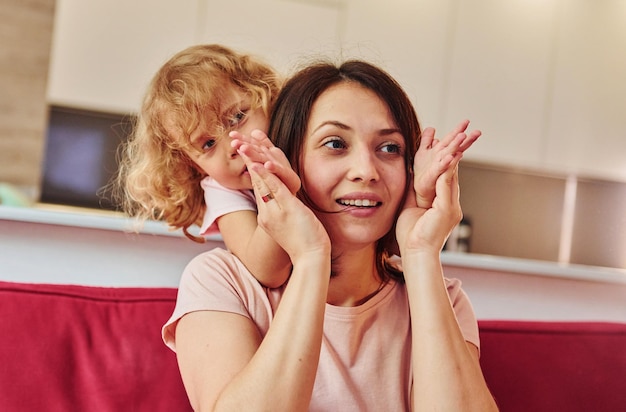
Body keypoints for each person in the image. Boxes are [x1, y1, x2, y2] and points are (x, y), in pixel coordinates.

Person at [162, 57, 497, 411]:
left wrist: (421, 252)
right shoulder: (221, 282)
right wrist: (310, 257)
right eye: (335, 144)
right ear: (286, 157)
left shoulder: (443, 298)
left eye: (389, 148)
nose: (366, 171)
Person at [116, 44, 299, 288]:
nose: (232, 146)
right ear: (194, 165)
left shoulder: (305, 148)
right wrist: (278, 194)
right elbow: (267, 271)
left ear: (267, 97)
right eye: (208, 143)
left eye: (237, 118)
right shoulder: (223, 192)